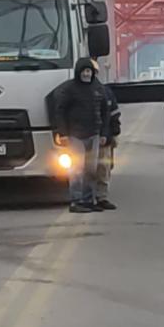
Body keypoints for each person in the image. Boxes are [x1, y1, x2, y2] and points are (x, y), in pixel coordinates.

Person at [53, 58, 111, 213]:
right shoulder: (70, 89)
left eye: (89, 71)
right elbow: (60, 111)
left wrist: (105, 133)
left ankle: (88, 200)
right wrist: (63, 133)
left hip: (95, 135)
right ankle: (76, 201)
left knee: (91, 170)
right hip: (76, 136)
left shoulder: (98, 88)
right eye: (84, 71)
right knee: (77, 170)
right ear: (78, 72)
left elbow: (106, 111)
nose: (86, 74)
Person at [93, 63, 120, 210]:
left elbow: (114, 114)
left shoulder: (106, 92)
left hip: (105, 137)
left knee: (104, 167)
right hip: (86, 136)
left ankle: (101, 197)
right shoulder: (78, 91)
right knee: (88, 168)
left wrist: (114, 133)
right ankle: (89, 197)